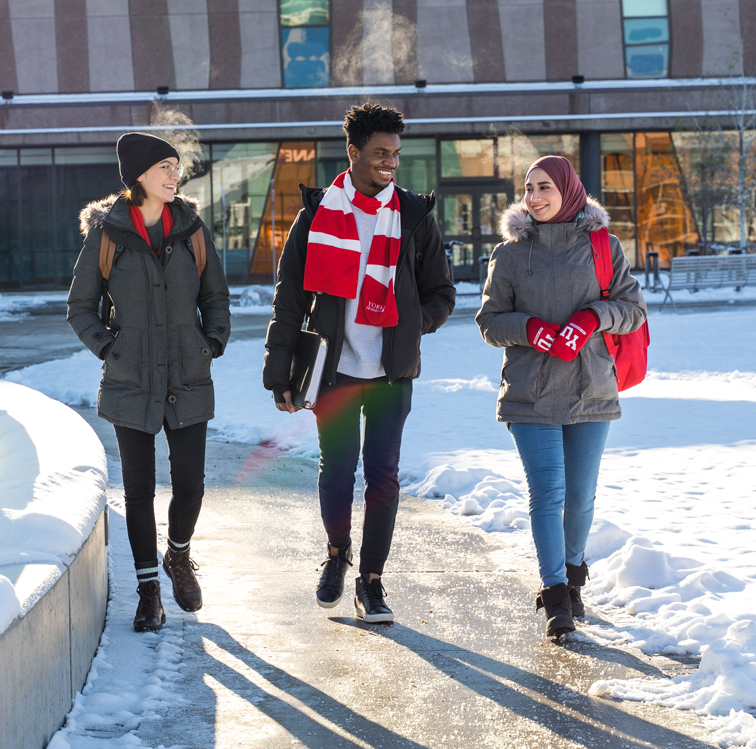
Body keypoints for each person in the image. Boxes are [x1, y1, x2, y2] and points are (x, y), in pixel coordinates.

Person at [263, 102, 455, 623]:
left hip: (392, 372)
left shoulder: (413, 217)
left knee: (384, 477)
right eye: (379, 154)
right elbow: (290, 298)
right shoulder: (317, 213)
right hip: (335, 368)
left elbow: (442, 293)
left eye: (395, 154)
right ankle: (336, 555)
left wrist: (413, 326)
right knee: (337, 472)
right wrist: (278, 371)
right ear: (353, 152)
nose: (390, 163)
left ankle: (371, 580)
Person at [475, 156, 646, 638]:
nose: (534, 197)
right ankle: (555, 598)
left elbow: (632, 309)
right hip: (531, 392)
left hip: (590, 387)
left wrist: (592, 318)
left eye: (544, 187)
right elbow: (489, 322)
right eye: (528, 189)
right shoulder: (509, 254)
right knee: (546, 495)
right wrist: (531, 330)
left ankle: (573, 577)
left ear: (568, 189)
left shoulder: (602, 246)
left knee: (580, 497)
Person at [67, 132, 230, 632]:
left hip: (187, 375)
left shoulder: (193, 230)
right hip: (130, 378)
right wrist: (110, 348)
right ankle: (148, 591)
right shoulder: (109, 235)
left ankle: (178, 557)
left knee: (192, 486)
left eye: (176, 166)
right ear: (138, 175)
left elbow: (216, 298)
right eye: (164, 166)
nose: (174, 174)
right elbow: (80, 308)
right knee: (138, 491)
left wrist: (211, 343)